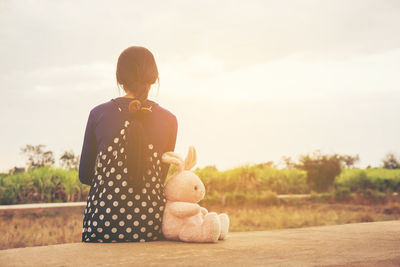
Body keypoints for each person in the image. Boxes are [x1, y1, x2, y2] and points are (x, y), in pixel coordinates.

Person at [78, 46, 178, 243]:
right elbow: (160, 177)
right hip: (150, 226)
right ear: (153, 78)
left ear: (120, 79)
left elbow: (85, 175)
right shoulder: (169, 120)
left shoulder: (98, 114)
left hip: (101, 225)